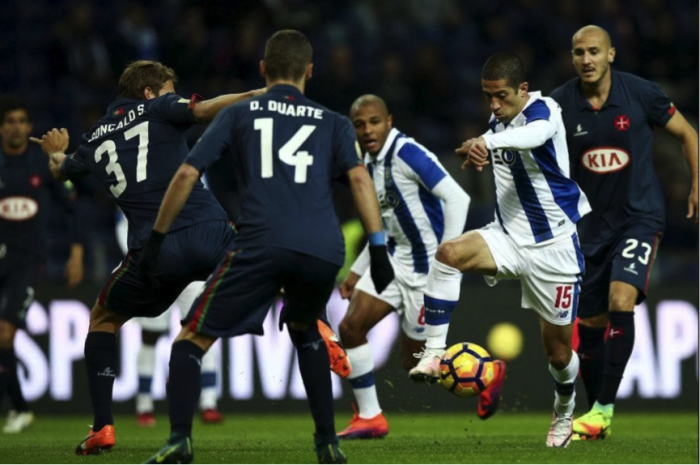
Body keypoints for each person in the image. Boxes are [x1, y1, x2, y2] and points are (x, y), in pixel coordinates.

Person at [140, 30, 393, 465]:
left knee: (190, 338)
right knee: (307, 332)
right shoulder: (333, 122)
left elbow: (185, 175)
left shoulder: (240, 114)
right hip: (322, 250)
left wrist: (157, 240)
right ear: (310, 71)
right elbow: (358, 180)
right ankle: (327, 444)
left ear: (262, 70)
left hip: (260, 243)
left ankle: (179, 440)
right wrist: (379, 250)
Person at [31, 59, 265, 455]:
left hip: (155, 252)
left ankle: (103, 425)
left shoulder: (93, 139)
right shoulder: (159, 107)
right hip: (209, 231)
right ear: (149, 91)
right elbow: (207, 108)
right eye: (170, 88)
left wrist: (57, 151)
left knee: (103, 319)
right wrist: (265, 93)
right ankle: (315, 325)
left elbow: (60, 171)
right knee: (272, 266)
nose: (174, 94)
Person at [409, 52, 591, 448]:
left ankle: (564, 411)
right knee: (448, 254)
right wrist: (482, 146)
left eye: (502, 96)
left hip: (553, 248)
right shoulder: (499, 120)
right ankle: (435, 351)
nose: (494, 105)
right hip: (506, 238)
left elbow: (533, 136)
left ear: (523, 90)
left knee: (559, 355)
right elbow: (501, 147)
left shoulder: (545, 111)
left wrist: (486, 141)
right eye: (488, 96)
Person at [549, 25, 698, 441]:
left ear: (611, 54)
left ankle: (603, 408)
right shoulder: (560, 104)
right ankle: (599, 417)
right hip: (588, 229)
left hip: (639, 218)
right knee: (590, 326)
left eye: (594, 51)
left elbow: (689, 134)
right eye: (579, 52)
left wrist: (697, 183)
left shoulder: (641, 94)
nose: (586, 60)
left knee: (621, 299)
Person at [337, 94, 488, 440]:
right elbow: (384, 222)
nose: (367, 130)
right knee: (350, 327)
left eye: (374, 122)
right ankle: (371, 417)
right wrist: (359, 269)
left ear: (389, 121)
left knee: (413, 364)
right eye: (359, 125)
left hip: (426, 274)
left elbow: (458, 197)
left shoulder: (408, 153)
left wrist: (447, 257)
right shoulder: (366, 162)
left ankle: (488, 375)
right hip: (393, 260)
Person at [0, 97, 84, 433]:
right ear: (2, 127)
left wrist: (76, 255)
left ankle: (20, 409)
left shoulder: (43, 164)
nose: (16, 126)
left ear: (29, 126)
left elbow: (72, 207)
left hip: (27, 261)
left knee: (5, 333)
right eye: (10, 121)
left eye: (22, 120)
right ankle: (18, 408)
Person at [114, 212, 223, 427]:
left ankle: (209, 402)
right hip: (155, 273)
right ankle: (144, 405)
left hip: (191, 269)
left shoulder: (192, 179)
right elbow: (122, 224)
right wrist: (141, 260)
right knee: (150, 337)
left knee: (201, 330)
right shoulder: (140, 180)